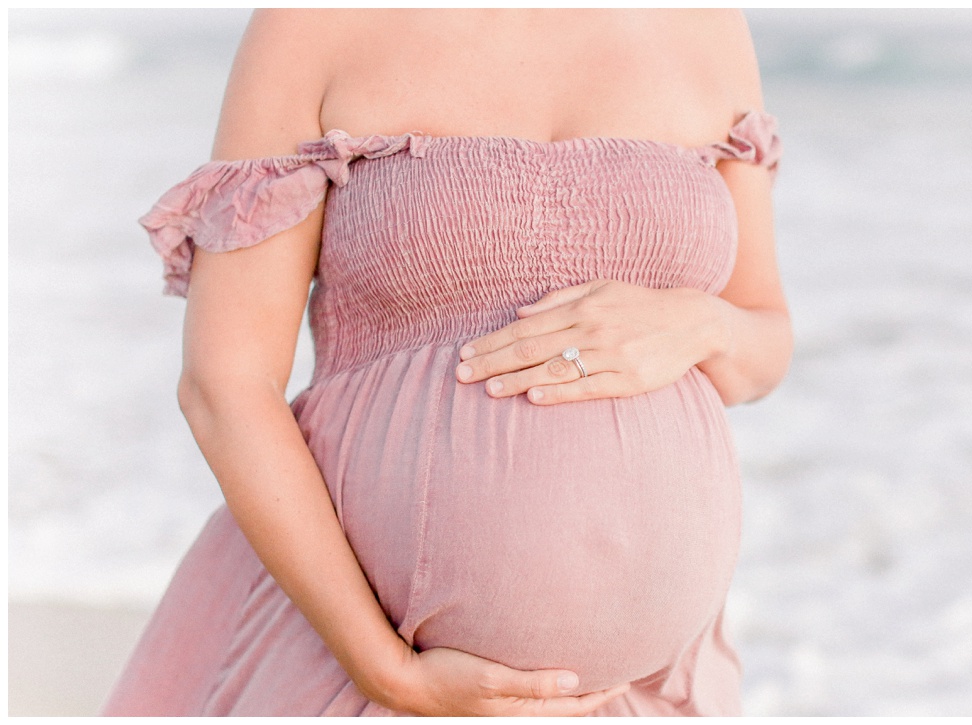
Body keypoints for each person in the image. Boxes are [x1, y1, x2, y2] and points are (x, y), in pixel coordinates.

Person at [102, 8, 791, 717]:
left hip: (653, 691)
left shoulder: (706, 25)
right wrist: (388, 670)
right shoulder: (314, 24)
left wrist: (702, 324)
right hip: (358, 669)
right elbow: (224, 383)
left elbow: (762, 346)